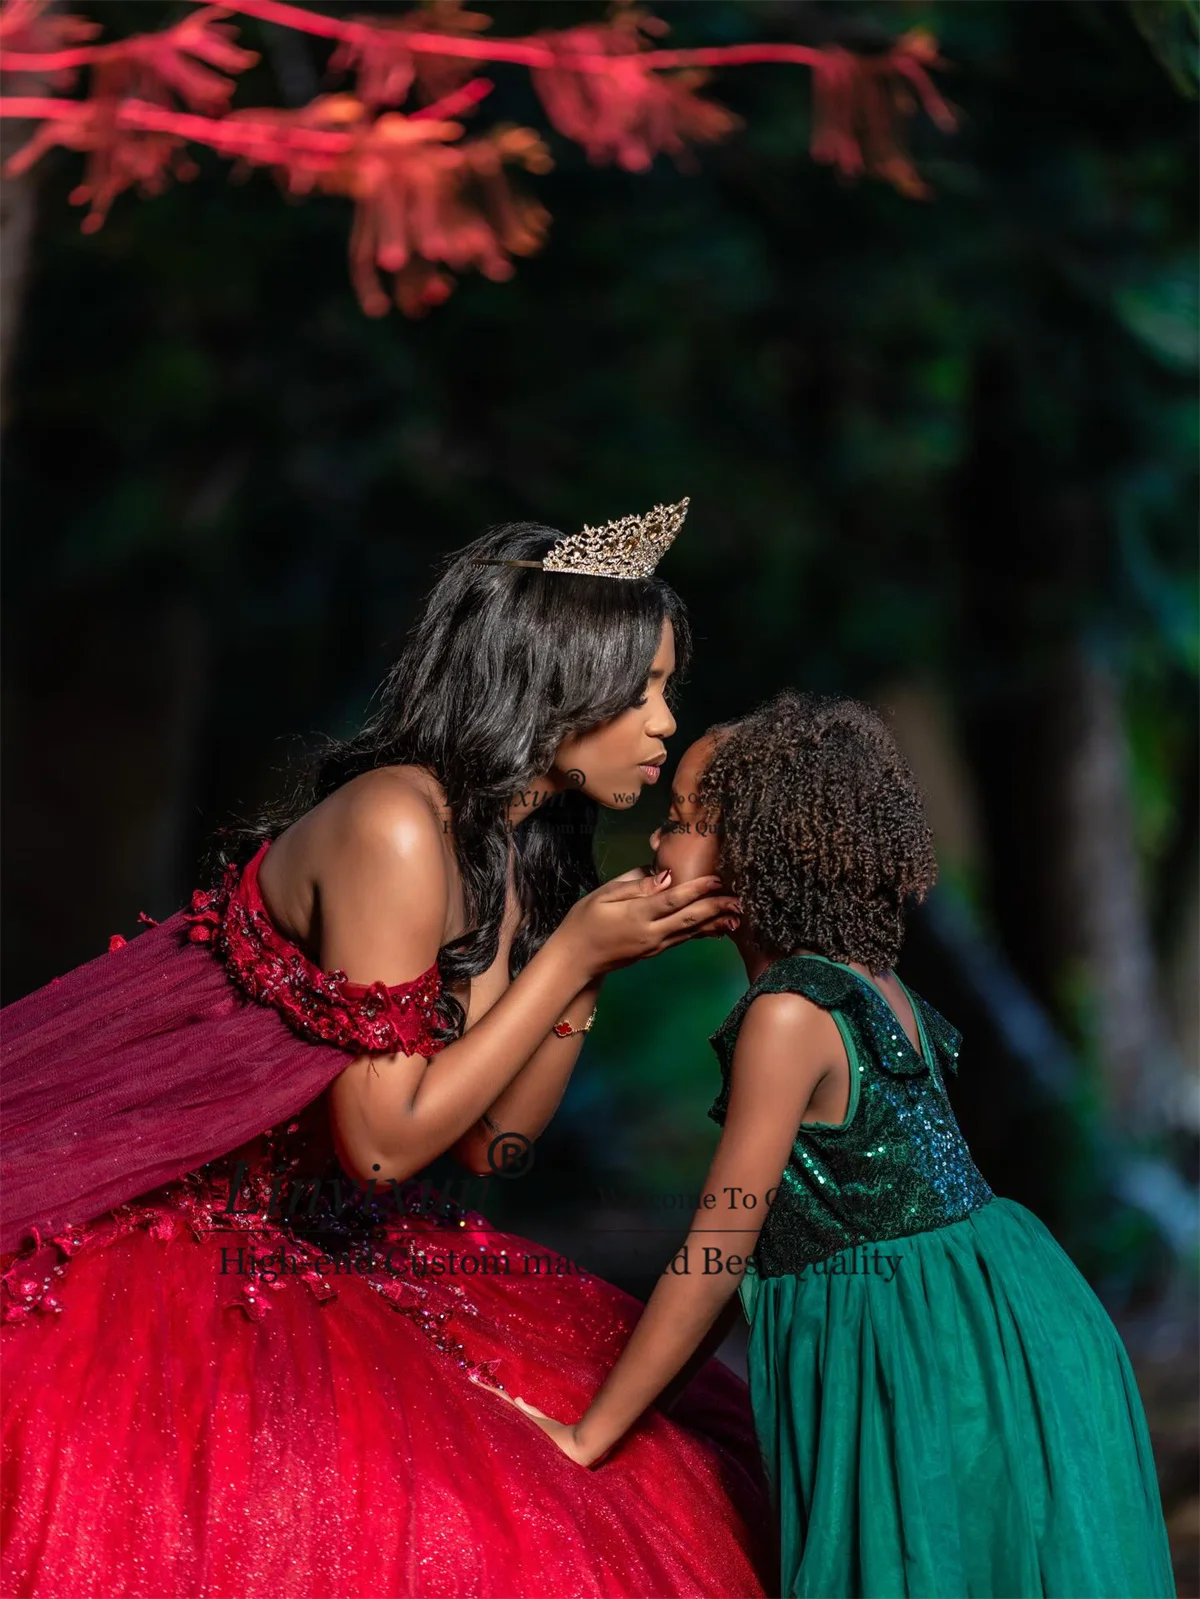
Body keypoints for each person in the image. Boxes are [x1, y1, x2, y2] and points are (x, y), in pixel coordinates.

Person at [0, 501, 778, 1599]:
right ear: (560, 683)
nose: (662, 724)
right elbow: (377, 1144)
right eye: (641, 689)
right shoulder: (395, 823)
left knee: (648, 1464)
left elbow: (489, 1142)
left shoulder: (500, 851)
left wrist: (588, 970)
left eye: (667, 692)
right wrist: (565, 964)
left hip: (340, 1241)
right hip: (189, 1241)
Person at [481, 690, 1177, 1599]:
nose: (657, 842)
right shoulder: (866, 982)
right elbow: (755, 1250)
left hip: (926, 1356)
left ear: (761, 856)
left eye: (685, 822)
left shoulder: (787, 1015)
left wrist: (586, 1434)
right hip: (997, 1314)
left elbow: (716, 1250)